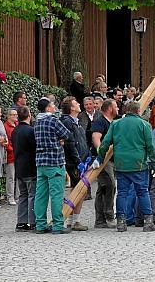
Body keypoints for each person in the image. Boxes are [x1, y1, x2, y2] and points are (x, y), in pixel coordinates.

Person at [93, 101, 155, 233]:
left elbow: (105, 143)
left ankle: (121, 222)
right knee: (142, 191)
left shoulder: (116, 124)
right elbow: (151, 146)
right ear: (138, 111)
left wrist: (99, 158)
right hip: (139, 164)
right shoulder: (144, 125)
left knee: (122, 193)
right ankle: (148, 221)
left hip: (121, 164)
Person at [33, 97, 72, 234]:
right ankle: (57, 225)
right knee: (56, 195)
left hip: (40, 162)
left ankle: (40, 225)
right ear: (48, 108)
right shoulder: (53, 120)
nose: (54, 106)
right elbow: (67, 134)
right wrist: (60, 140)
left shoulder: (37, 122)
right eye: (53, 105)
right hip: (55, 162)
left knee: (41, 195)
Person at [59, 96, 90, 231]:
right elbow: (70, 143)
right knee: (78, 190)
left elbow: (81, 141)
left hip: (80, 159)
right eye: (76, 103)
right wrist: (78, 161)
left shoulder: (75, 122)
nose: (79, 104)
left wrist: (87, 155)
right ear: (71, 108)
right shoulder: (67, 122)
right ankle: (73, 220)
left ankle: (73, 220)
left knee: (80, 191)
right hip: (74, 162)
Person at [91, 99, 118, 229]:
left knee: (103, 187)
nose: (118, 108)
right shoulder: (100, 122)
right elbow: (96, 138)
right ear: (109, 109)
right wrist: (101, 156)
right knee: (110, 184)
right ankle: (109, 215)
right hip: (103, 160)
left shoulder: (113, 123)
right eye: (116, 106)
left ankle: (100, 220)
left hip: (111, 160)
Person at [12, 106, 36, 232]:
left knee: (23, 195)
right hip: (30, 167)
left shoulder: (15, 131)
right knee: (33, 195)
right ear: (29, 115)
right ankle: (33, 222)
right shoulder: (31, 131)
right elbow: (34, 148)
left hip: (19, 167)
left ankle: (21, 222)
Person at [3, 109, 19, 206]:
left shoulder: (17, 125)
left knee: (18, 177)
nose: (15, 116)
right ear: (8, 116)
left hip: (18, 154)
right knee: (11, 177)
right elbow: (6, 141)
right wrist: (12, 149)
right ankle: (10, 197)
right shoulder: (5, 126)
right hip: (10, 155)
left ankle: (18, 196)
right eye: (13, 115)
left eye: (16, 115)